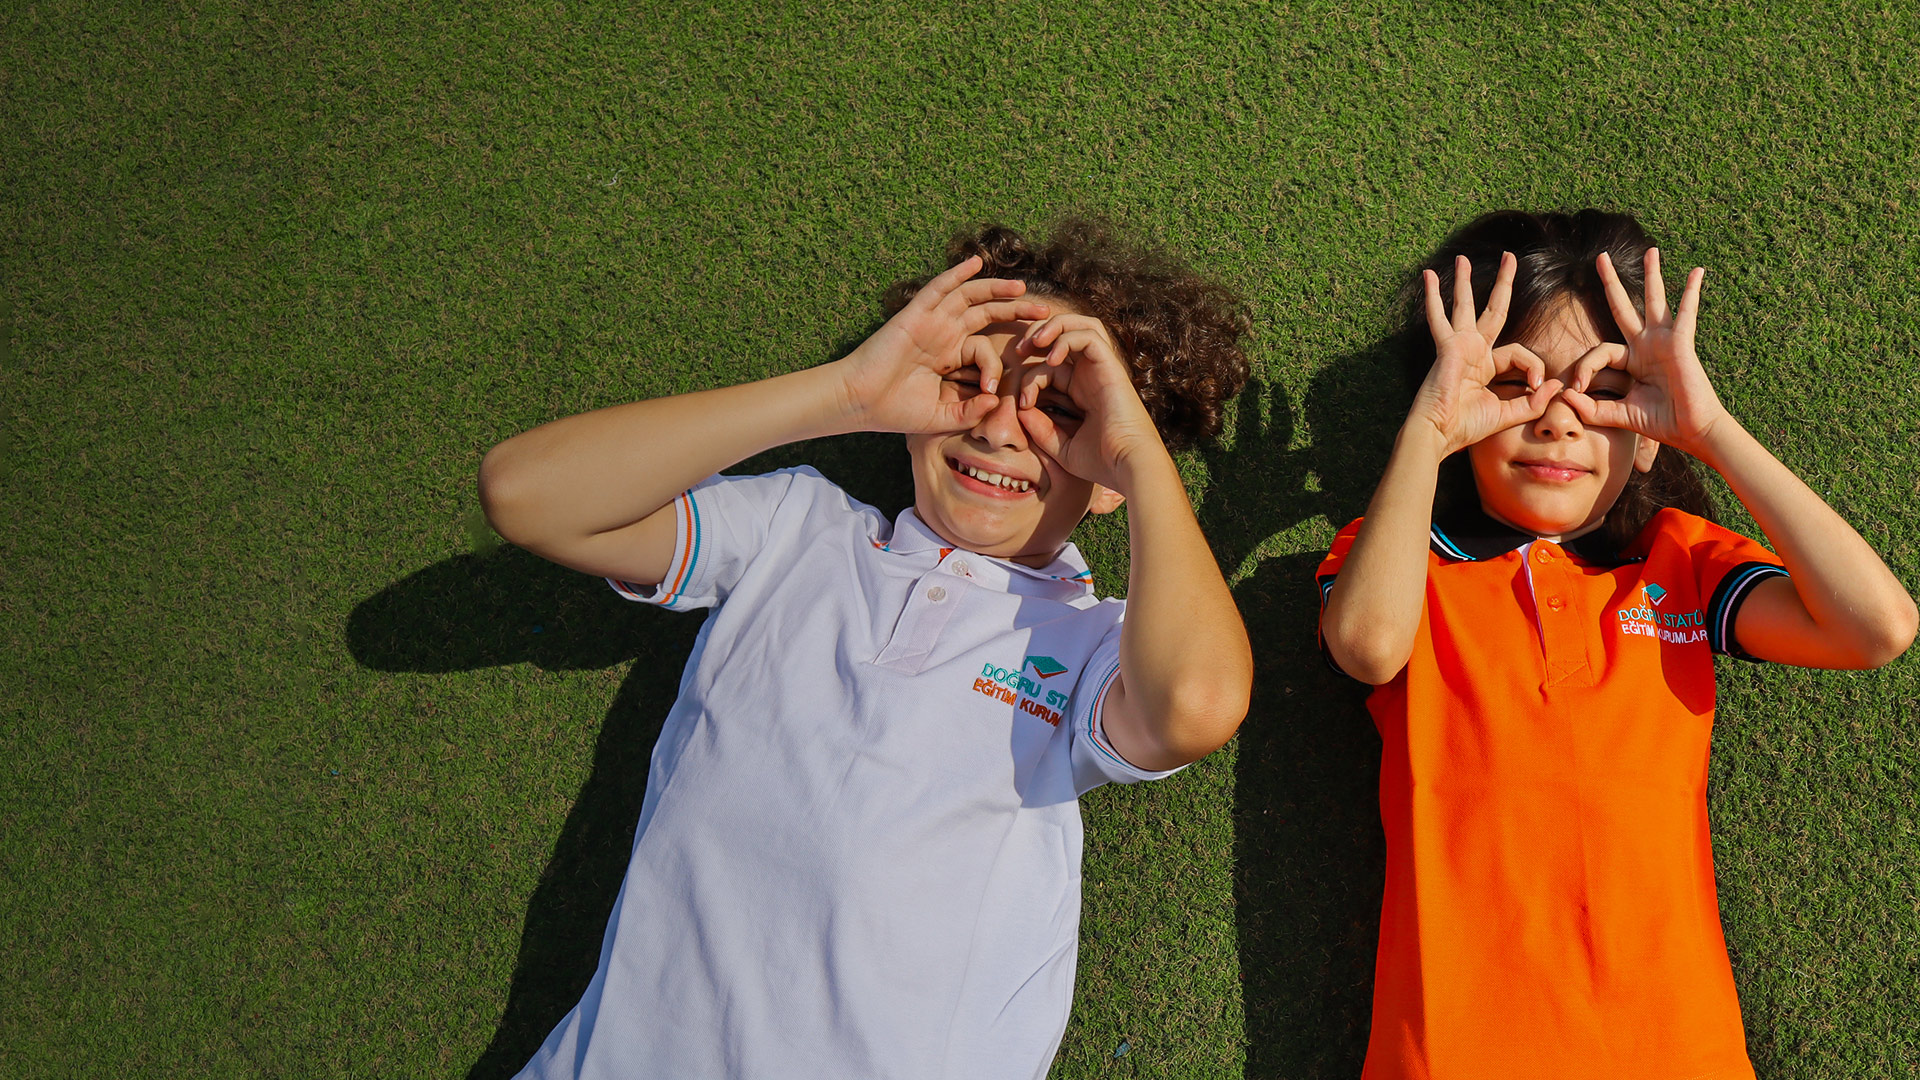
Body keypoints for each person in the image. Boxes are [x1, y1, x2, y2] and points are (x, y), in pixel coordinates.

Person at [477, 220, 1254, 1079]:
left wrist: (1137, 456)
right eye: (970, 380)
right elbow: (525, 495)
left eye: (1062, 411)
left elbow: (1194, 706)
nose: (1000, 428)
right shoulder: (793, 531)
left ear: (1107, 477)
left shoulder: (1097, 642)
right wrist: (847, 393)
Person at [1317, 209, 1917, 1079]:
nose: (1560, 419)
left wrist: (1708, 431)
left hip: (1680, 1051)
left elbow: (1878, 628)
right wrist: (1431, 428)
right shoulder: (1403, 563)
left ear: (1645, 443)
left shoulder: (1679, 563)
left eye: (1601, 388)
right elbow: (1368, 646)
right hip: (1457, 1051)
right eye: (1517, 383)